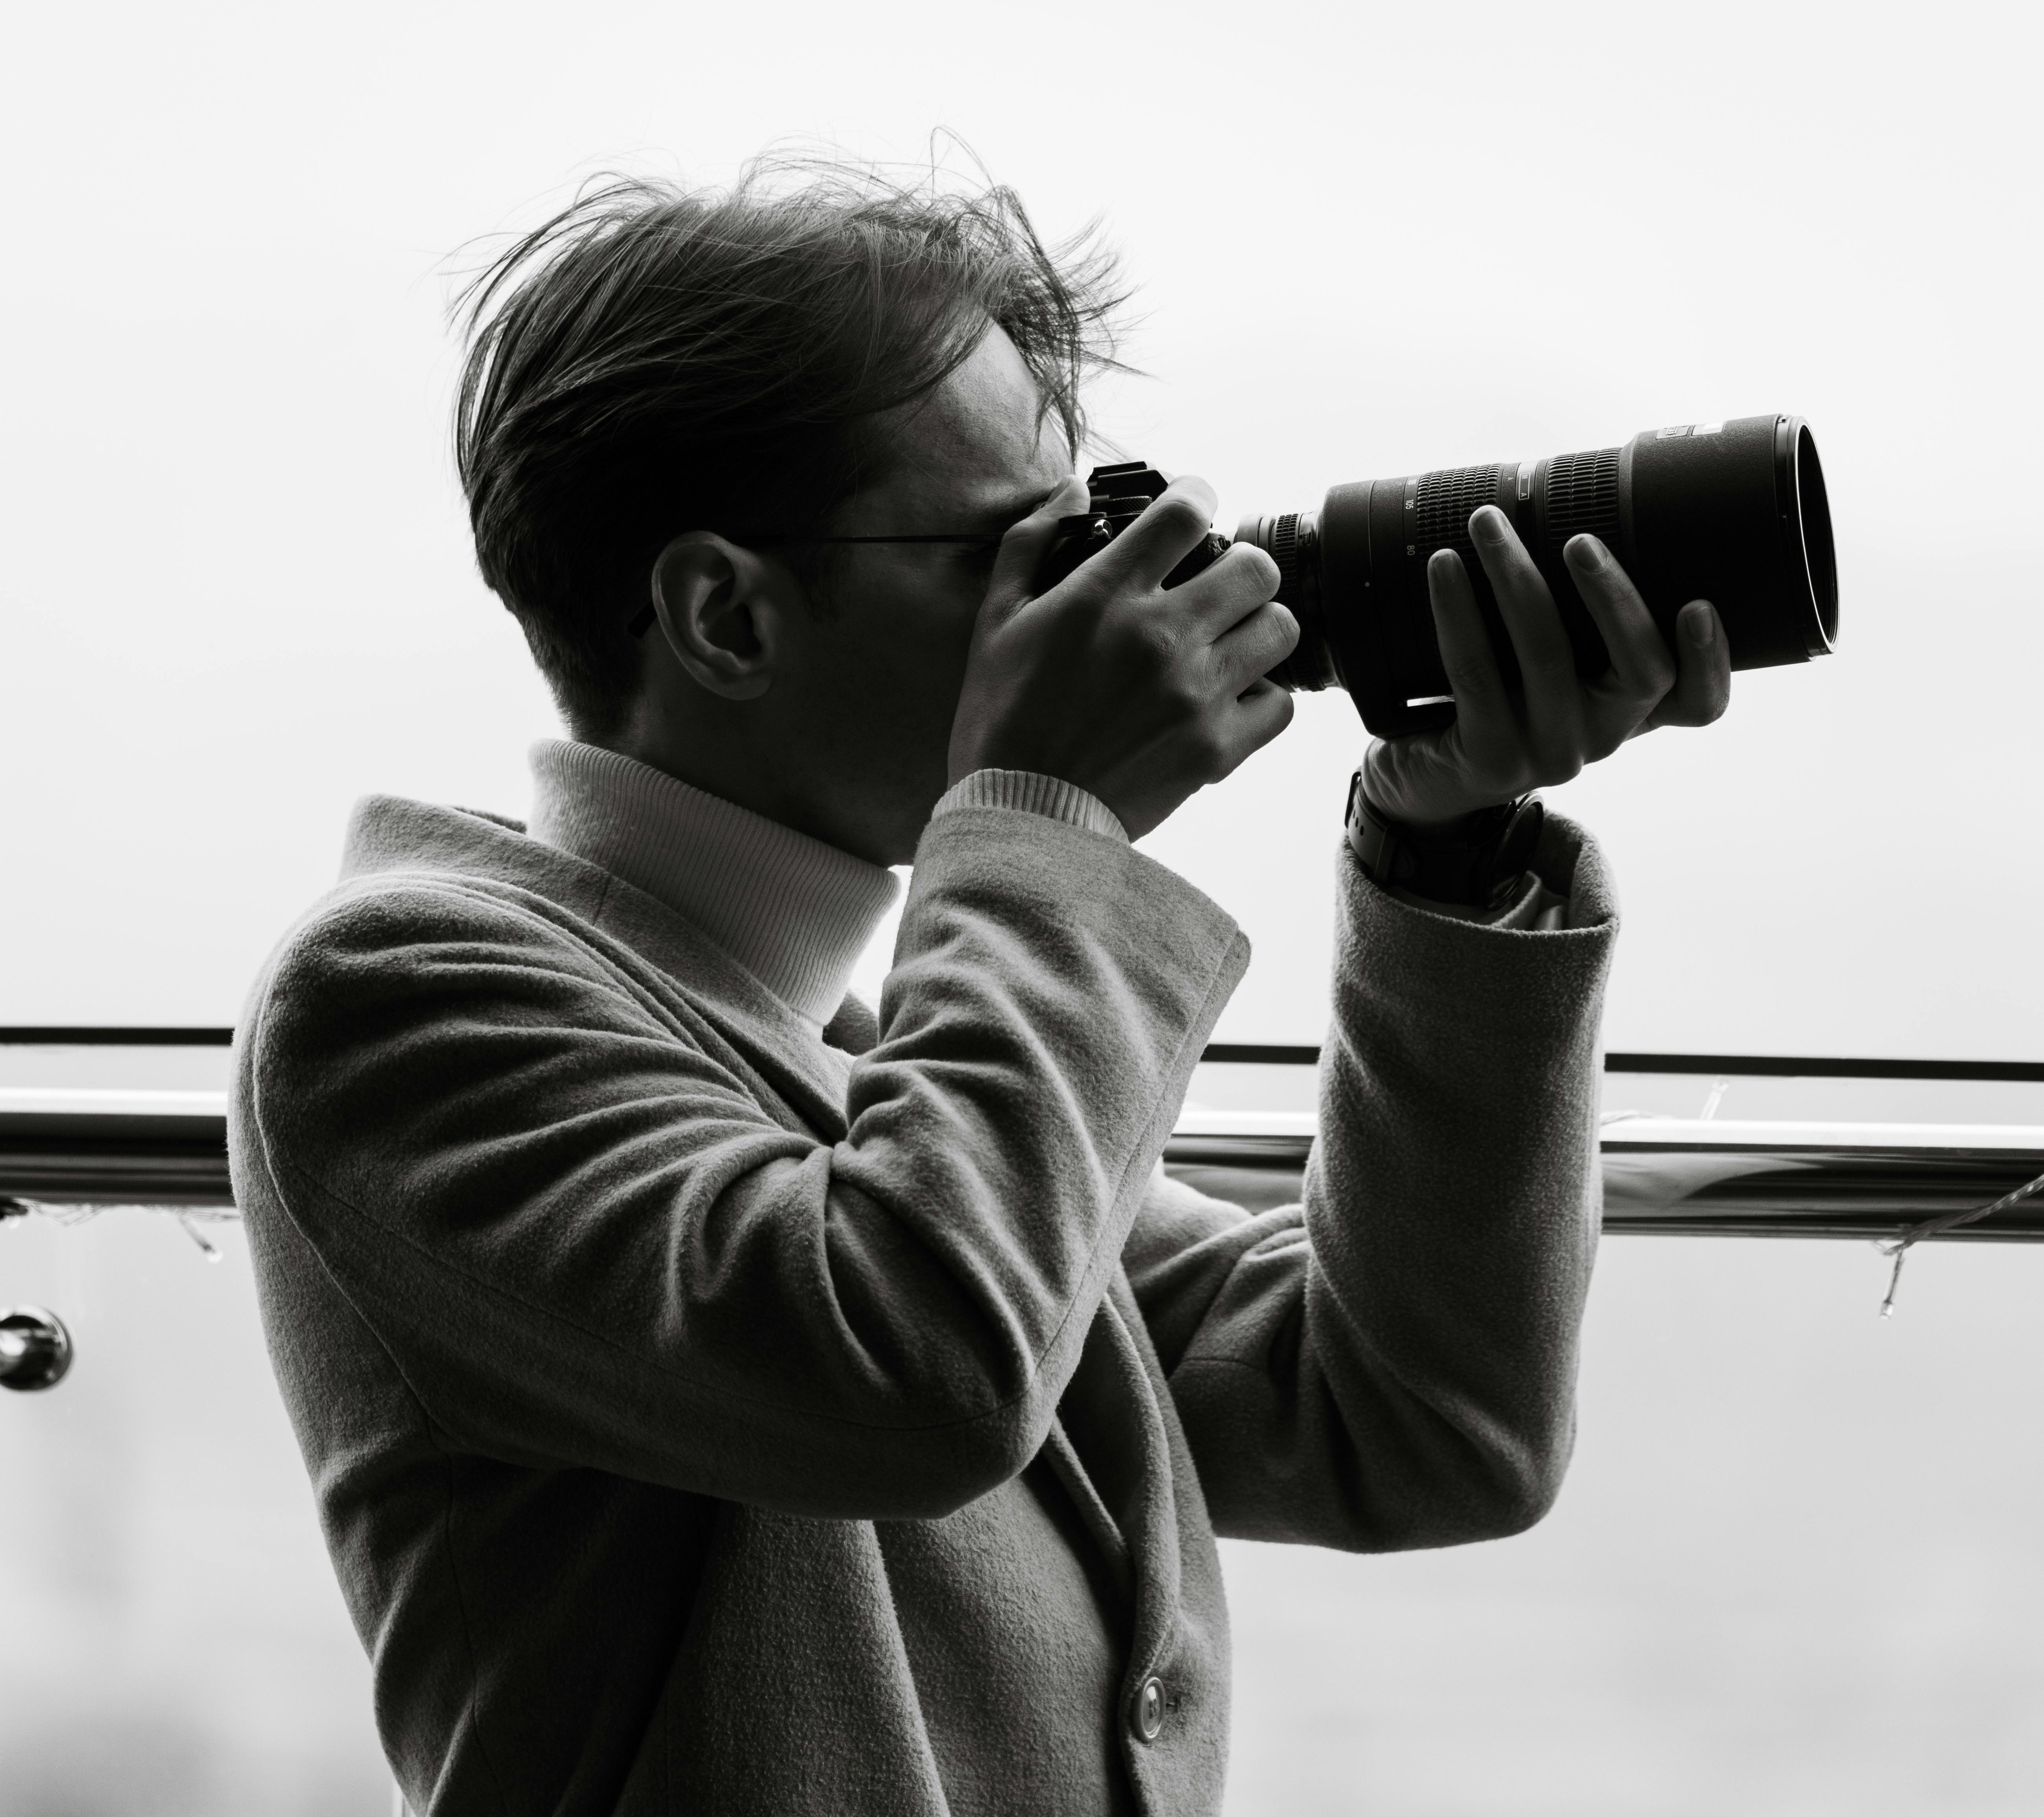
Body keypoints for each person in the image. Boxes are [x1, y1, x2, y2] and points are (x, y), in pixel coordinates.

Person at [227, 160, 1729, 1817]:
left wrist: (1444, 841)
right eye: (1016, 552)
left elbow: (1411, 1421)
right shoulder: (398, 998)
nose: (1093, 602)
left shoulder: (859, 1050)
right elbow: (916, 1360)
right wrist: (1046, 813)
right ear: (726, 613)